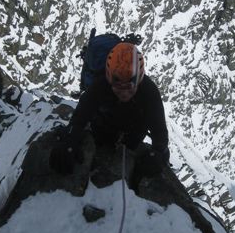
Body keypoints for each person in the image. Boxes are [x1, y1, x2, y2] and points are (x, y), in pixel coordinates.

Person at [49, 42, 170, 176]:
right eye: (118, 86)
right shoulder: (101, 85)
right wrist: (70, 140)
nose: (124, 93)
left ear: (139, 81)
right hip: (105, 134)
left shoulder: (149, 92)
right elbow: (81, 116)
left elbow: (160, 132)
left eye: (129, 87)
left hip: (126, 138)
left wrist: (158, 152)